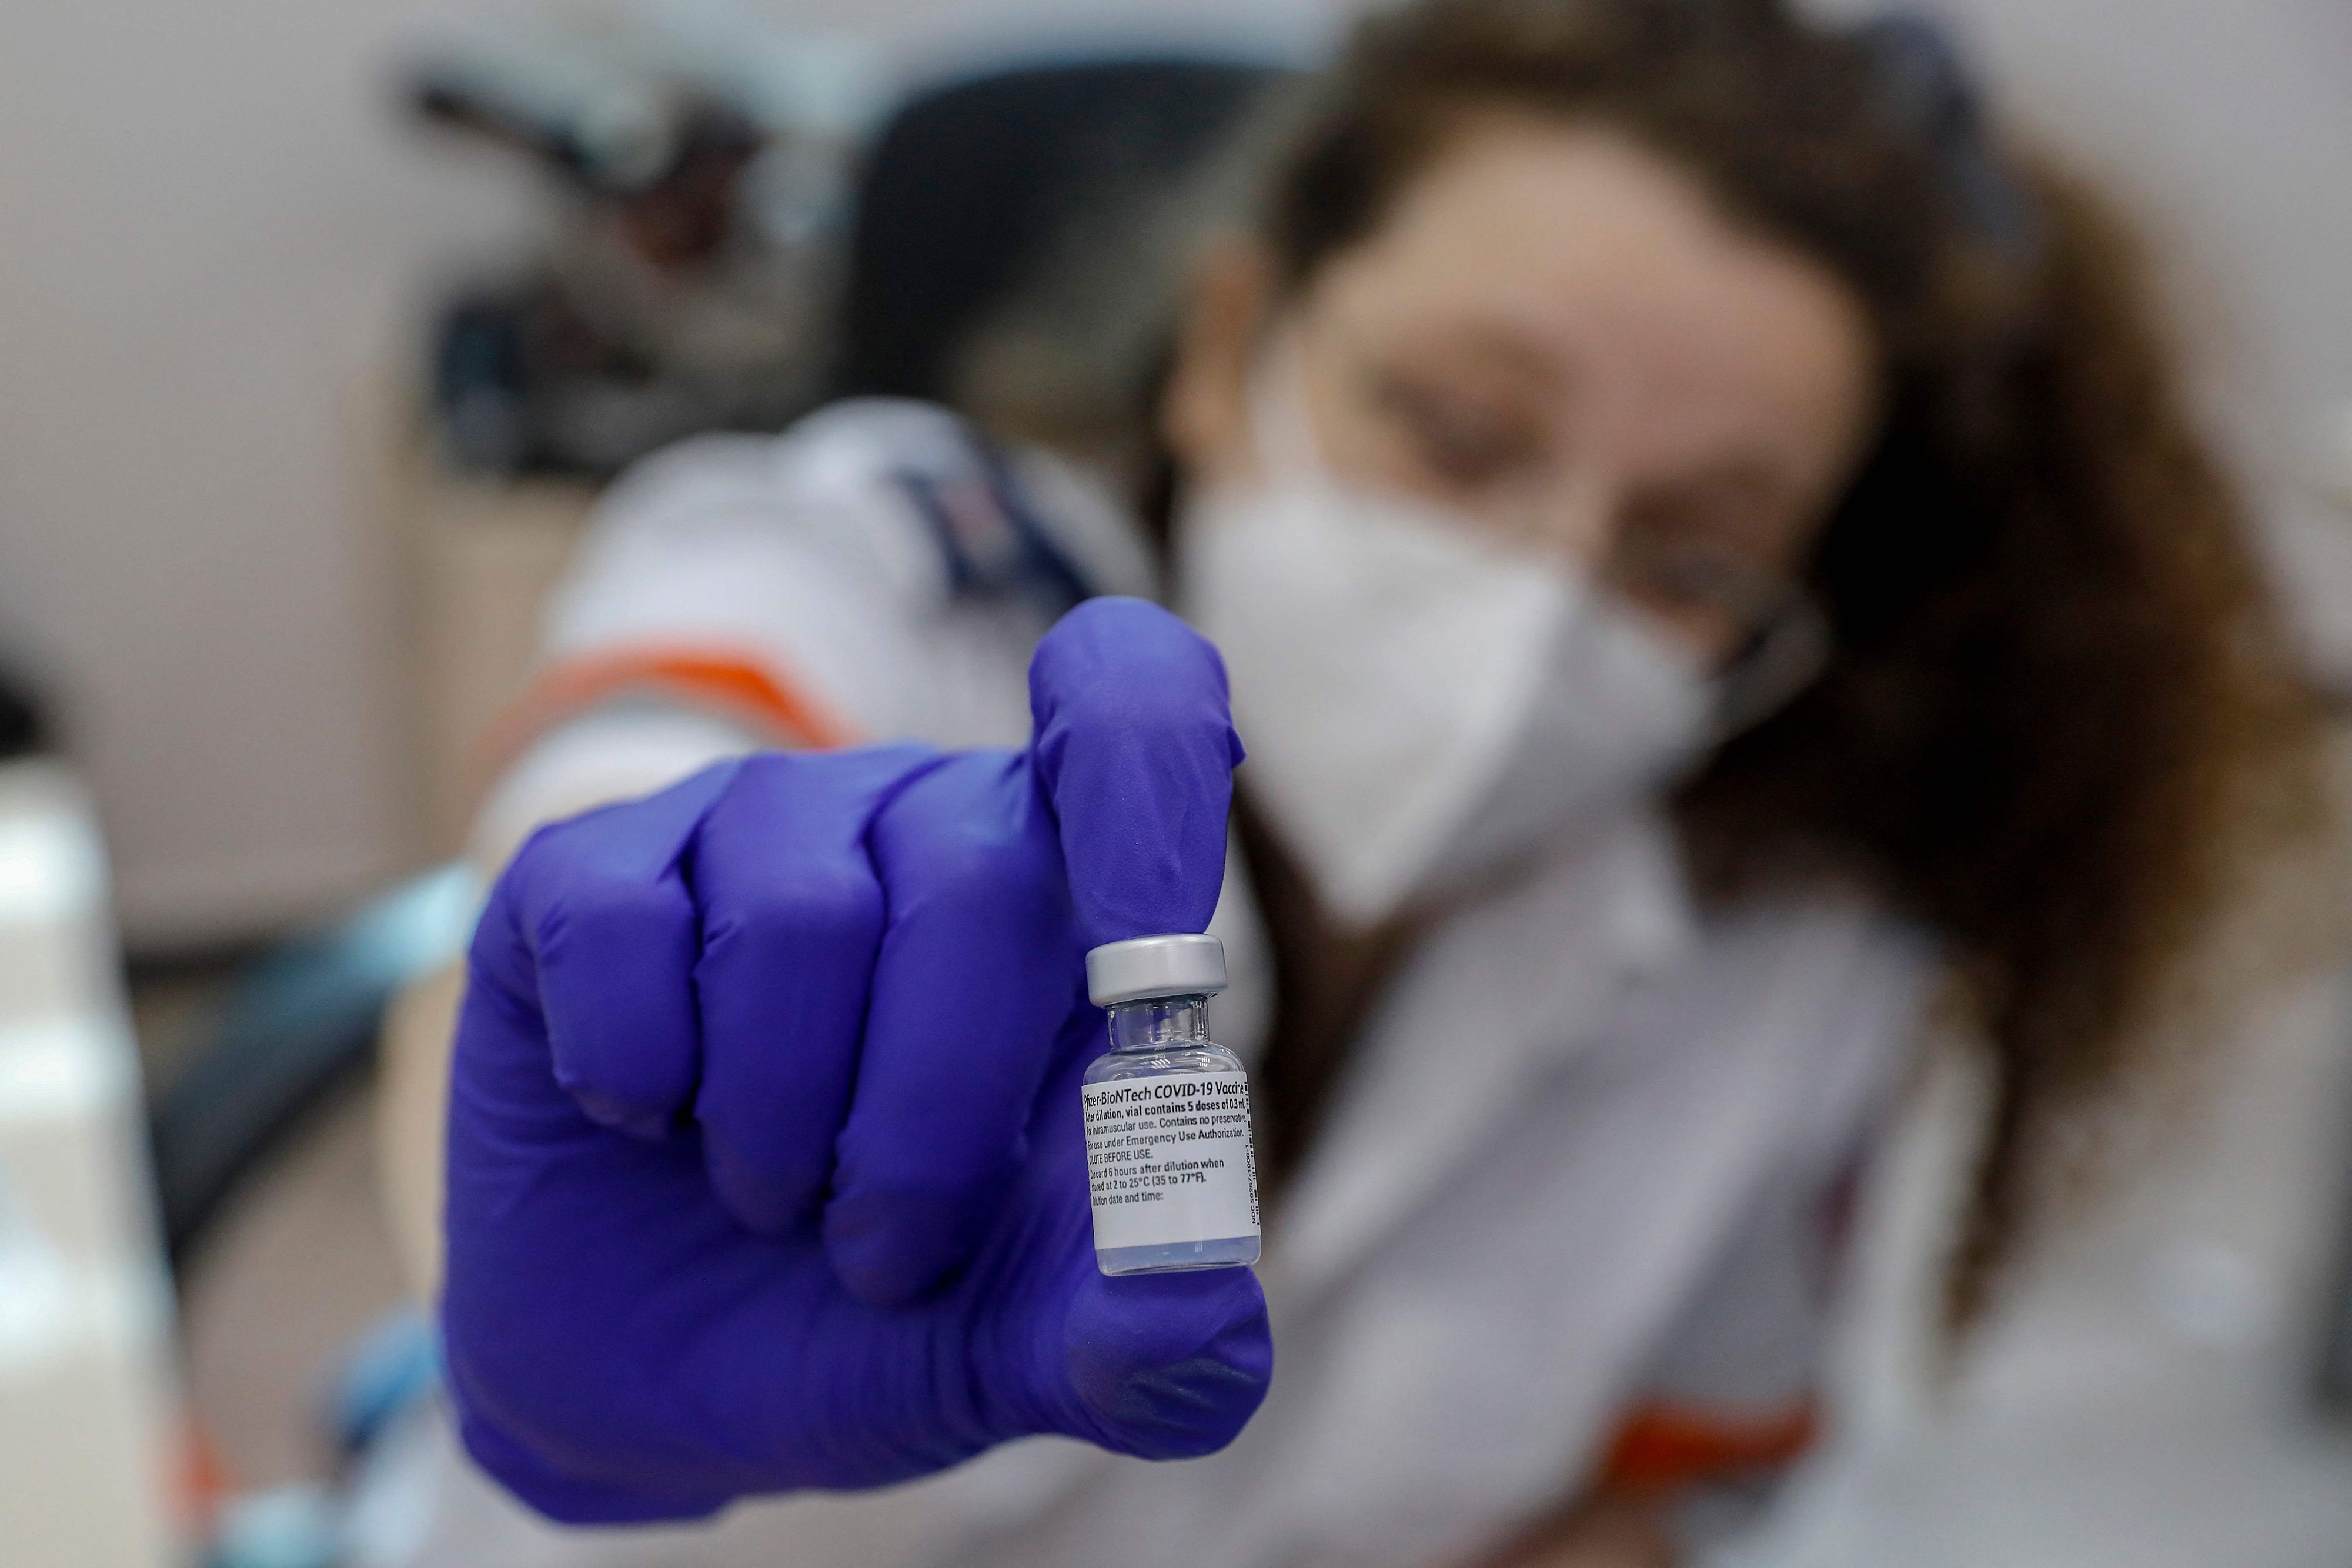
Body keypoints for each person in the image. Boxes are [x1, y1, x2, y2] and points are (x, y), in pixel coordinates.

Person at [405, 2, 2322, 1564]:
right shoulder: (877, 577)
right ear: (1232, 345)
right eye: (1462, 432)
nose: (1533, 603)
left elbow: (1655, 1495)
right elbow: (591, 847)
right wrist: (565, 1123)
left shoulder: (1781, 955)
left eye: (1690, 555)